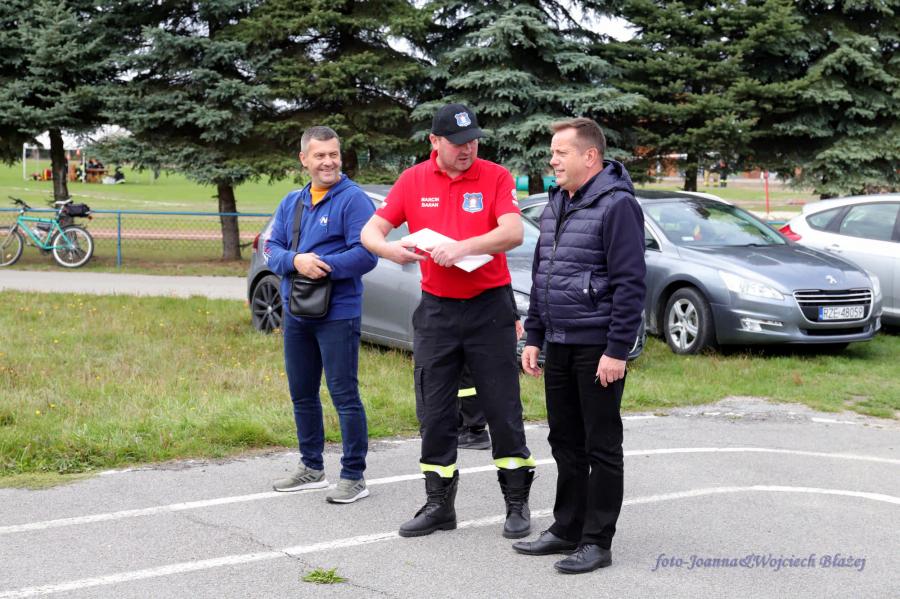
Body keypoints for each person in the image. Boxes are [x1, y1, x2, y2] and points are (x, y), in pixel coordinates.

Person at [361, 102, 536, 539]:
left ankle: (516, 504)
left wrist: (463, 247)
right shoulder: (413, 179)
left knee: (503, 408)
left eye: (472, 140)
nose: (467, 149)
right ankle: (439, 505)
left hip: (489, 308)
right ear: (434, 141)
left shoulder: (496, 176)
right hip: (437, 310)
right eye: (457, 142)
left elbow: (513, 231)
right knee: (435, 411)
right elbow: (370, 232)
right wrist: (390, 250)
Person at [514, 118, 646, 574]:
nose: (552, 160)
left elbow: (631, 283)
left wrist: (617, 349)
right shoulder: (557, 202)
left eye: (561, 152)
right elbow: (542, 276)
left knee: (601, 446)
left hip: (597, 345)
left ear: (589, 156)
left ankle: (597, 540)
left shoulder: (618, 205)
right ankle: (566, 527)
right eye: (552, 152)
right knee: (565, 440)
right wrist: (534, 335)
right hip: (559, 341)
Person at [265, 126, 378, 504]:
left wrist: (323, 266)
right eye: (319, 155)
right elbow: (271, 249)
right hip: (296, 311)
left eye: (333, 154)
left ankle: (354, 475)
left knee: (344, 394)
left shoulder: (354, 200)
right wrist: (296, 261)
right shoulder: (291, 202)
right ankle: (311, 467)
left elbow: (366, 254)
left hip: (338, 313)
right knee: (302, 393)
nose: (328, 162)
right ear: (304, 160)